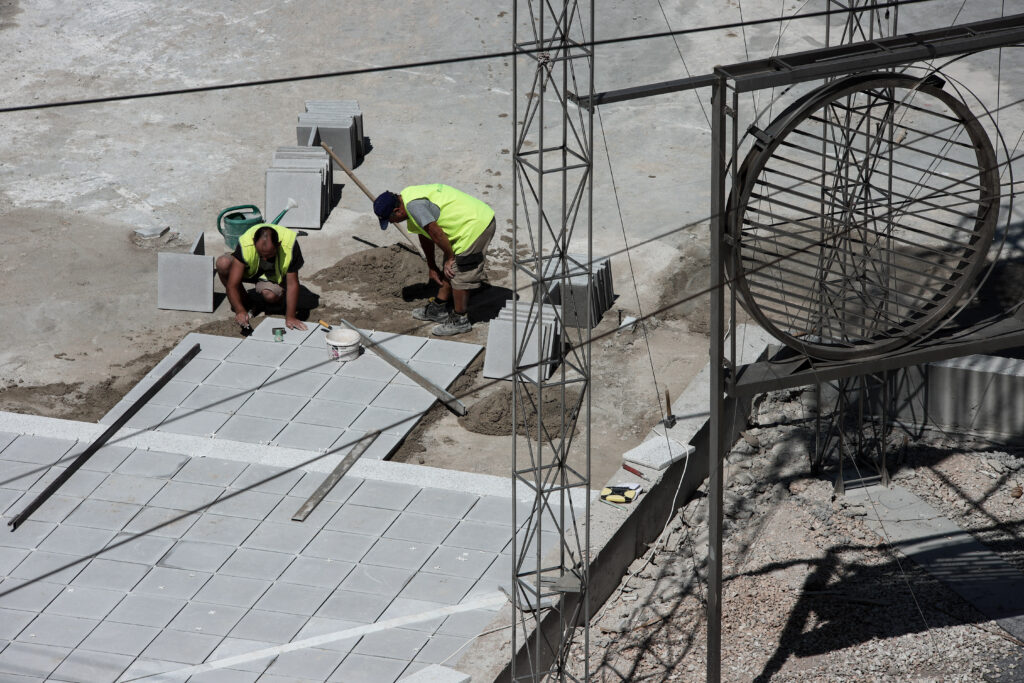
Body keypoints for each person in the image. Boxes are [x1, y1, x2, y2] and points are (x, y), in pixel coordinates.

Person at [373, 184, 496, 336]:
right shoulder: (407, 197)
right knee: (450, 269)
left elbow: (436, 233)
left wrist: (450, 257)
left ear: (397, 211)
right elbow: (426, 235)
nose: (392, 223)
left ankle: (460, 320)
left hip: (476, 225)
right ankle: (438, 308)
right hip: (463, 225)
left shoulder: (415, 207)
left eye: (391, 220)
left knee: (459, 272)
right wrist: (432, 266)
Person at [215, 223, 308, 331]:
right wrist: (239, 310)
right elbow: (232, 284)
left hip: (273, 276)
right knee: (223, 263)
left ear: (278, 245)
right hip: (251, 270)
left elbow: (293, 284)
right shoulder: (246, 242)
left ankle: (278, 298)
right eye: (261, 254)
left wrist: (291, 316)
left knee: (270, 296)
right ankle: (247, 303)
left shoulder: (290, 244)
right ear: (254, 242)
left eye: (269, 255)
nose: (264, 258)